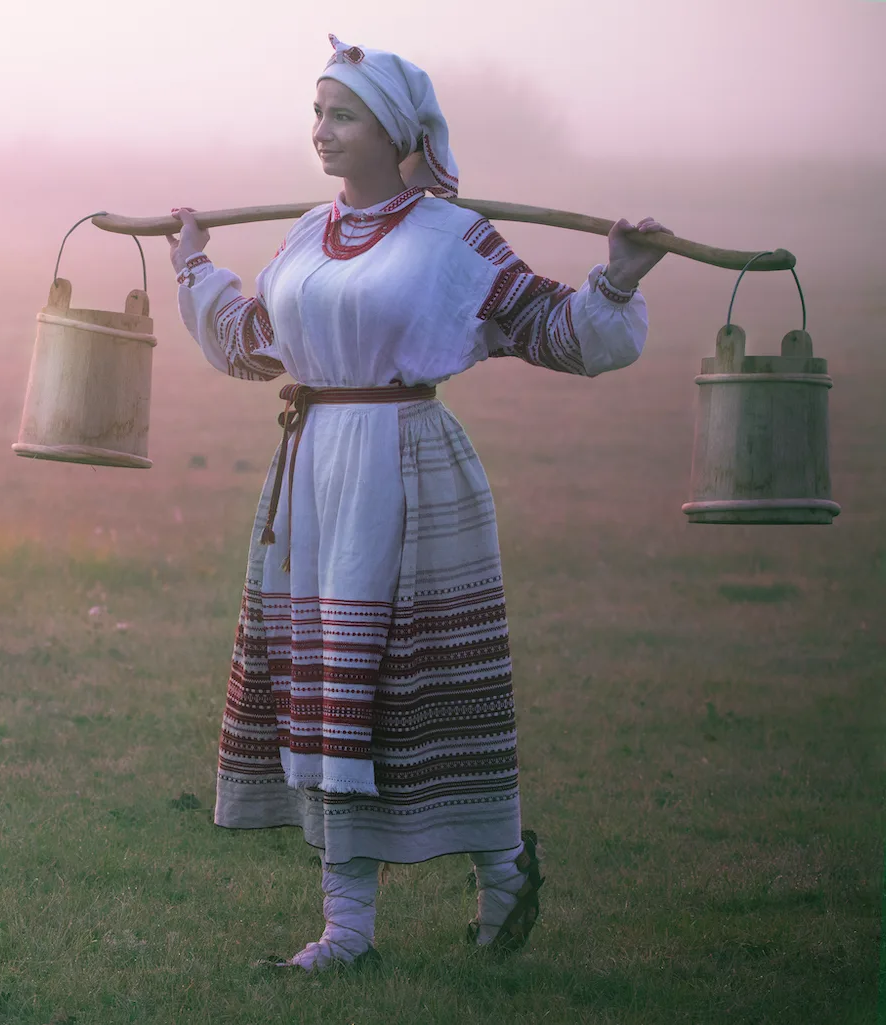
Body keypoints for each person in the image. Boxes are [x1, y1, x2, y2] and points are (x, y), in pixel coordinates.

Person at [167, 35, 673, 971]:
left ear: (394, 131)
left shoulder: (452, 236)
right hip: (314, 479)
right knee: (334, 697)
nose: (321, 130)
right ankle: (345, 928)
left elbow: (556, 329)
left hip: (410, 476)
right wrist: (195, 266)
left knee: (429, 694)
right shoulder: (307, 237)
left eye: (342, 114)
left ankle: (505, 868)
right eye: (316, 112)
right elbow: (252, 340)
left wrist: (619, 276)